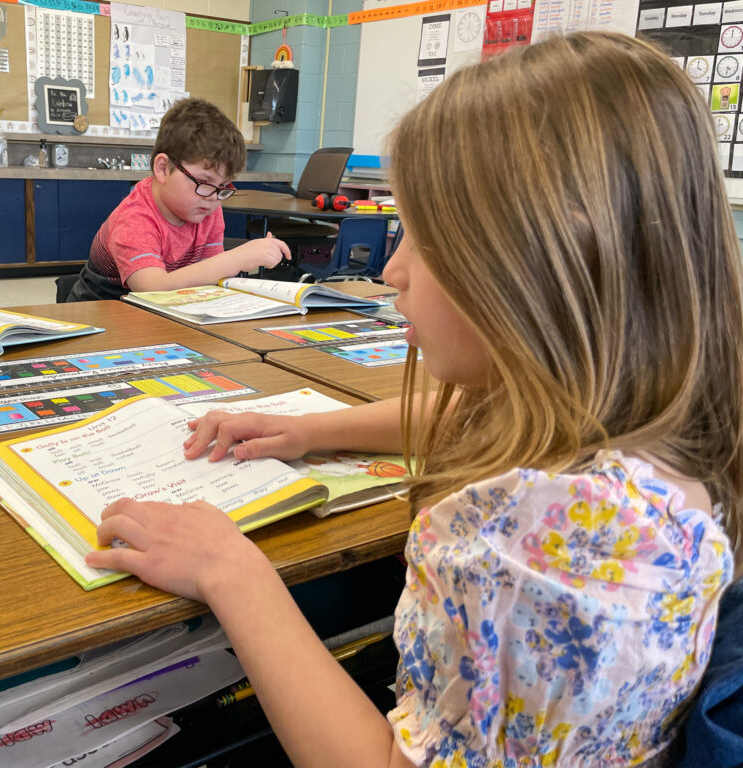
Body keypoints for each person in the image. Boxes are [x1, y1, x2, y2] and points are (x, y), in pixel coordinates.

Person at [84, 31, 742, 767]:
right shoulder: (664, 417)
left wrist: (228, 570)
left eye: (422, 236)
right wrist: (308, 431)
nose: (393, 270)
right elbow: (470, 413)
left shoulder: (531, 543)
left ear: (545, 260)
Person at [64, 98, 290, 302]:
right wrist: (237, 258)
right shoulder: (134, 218)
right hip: (102, 309)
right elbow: (152, 288)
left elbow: (209, 273)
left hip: (162, 309)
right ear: (163, 169)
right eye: (204, 181)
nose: (214, 198)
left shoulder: (207, 203)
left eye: (222, 187)